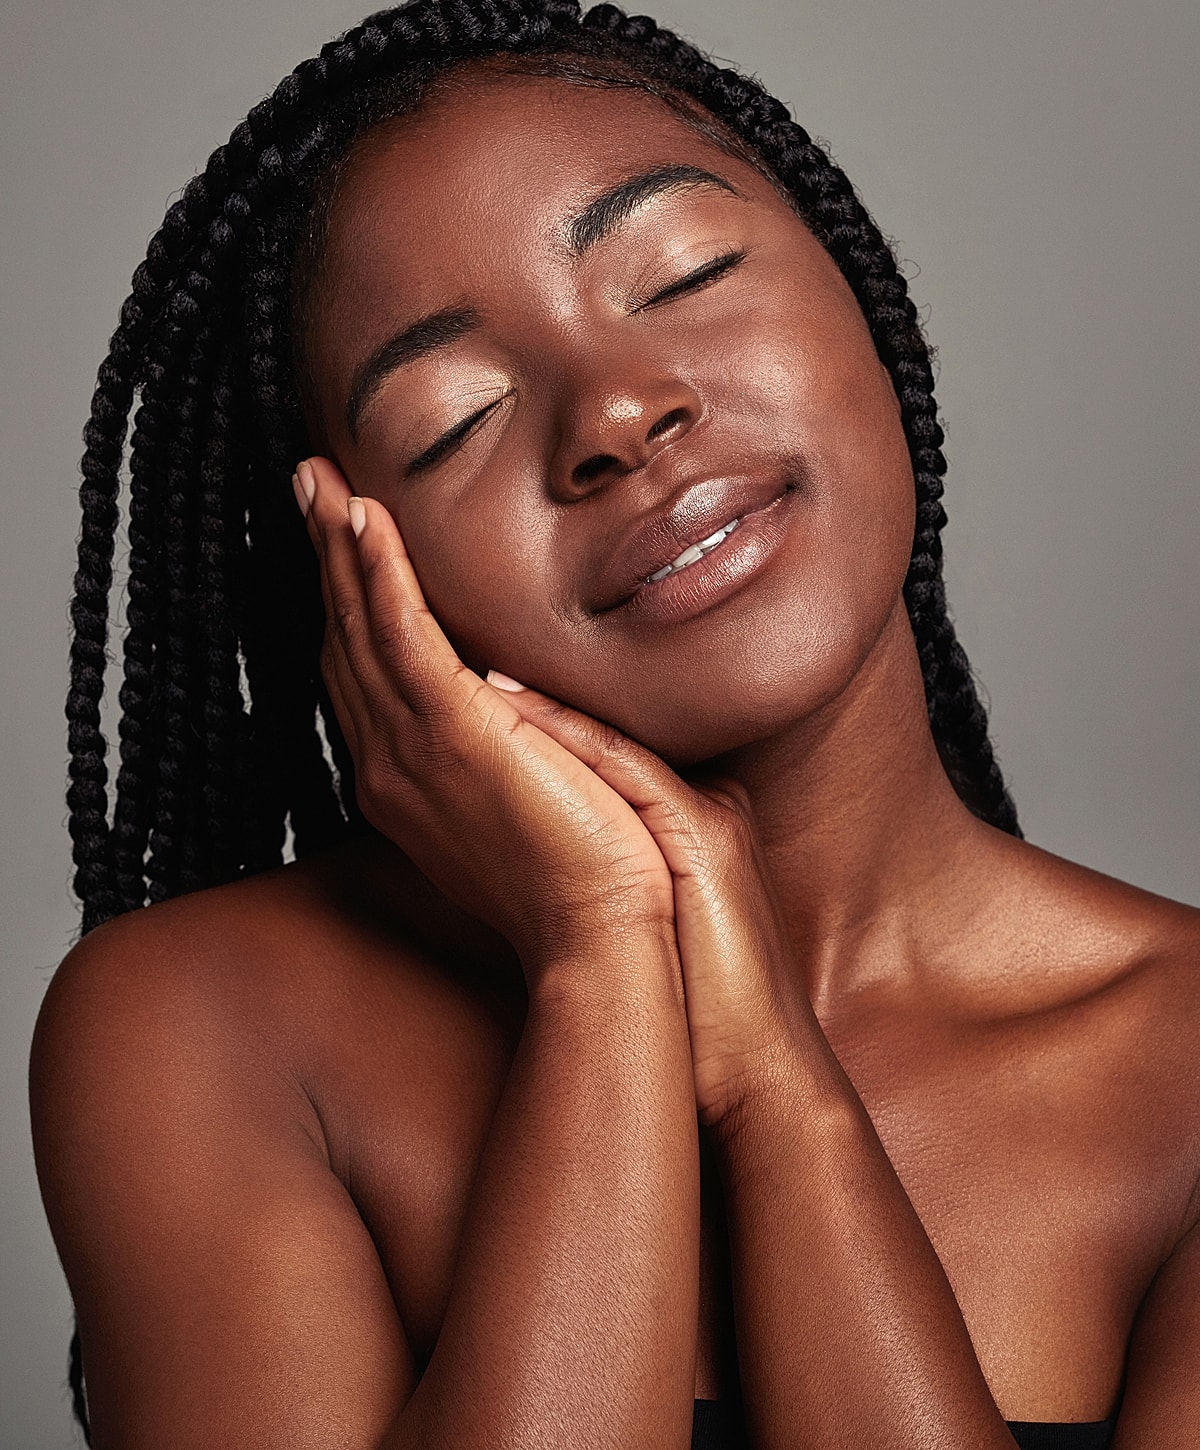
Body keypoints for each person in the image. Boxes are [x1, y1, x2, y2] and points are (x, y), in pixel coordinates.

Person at [28, 2, 1199, 1447]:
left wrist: (782, 1095)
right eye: (455, 419)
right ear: (352, 568)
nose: (619, 413)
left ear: (857, 286)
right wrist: (599, 959)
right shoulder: (207, 1029)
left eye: (687, 272)